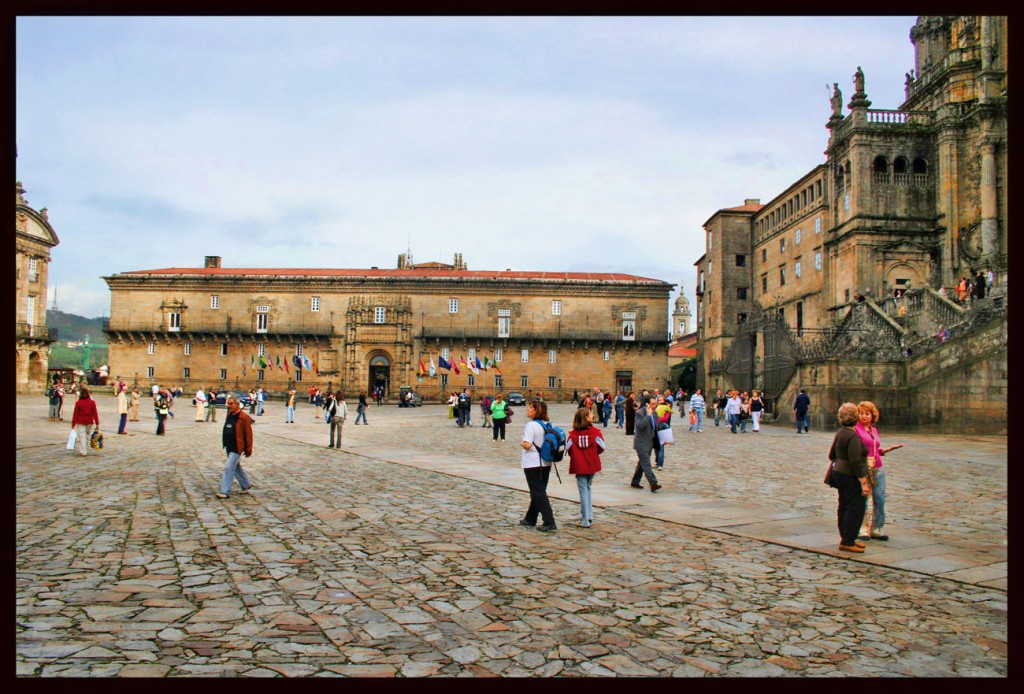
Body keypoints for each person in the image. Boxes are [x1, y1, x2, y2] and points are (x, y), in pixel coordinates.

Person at [854, 401, 904, 542]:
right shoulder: (856, 430)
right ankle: (862, 528)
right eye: (861, 413)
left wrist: (884, 450)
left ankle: (877, 528)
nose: (864, 416)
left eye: (867, 413)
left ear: (872, 415)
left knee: (880, 498)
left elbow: (874, 448)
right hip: (865, 467)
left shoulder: (873, 430)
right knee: (863, 498)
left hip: (878, 467)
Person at [826, 403, 870, 553]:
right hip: (849, 474)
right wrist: (863, 481)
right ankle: (848, 540)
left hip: (838, 472)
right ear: (856, 417)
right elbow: (856, 461)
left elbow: (831, 455)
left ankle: (847, 537)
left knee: (844, 505)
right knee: (856, 507)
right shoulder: (853, 436)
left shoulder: (841, 432)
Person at [519, 400, 557, 532]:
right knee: (539, 491)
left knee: (538, 492)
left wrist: (522, 443)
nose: (528, 410)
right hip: (546, 462)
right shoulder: (547, 424)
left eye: (530, 408)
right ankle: (530, 518)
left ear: (536, 410)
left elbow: (528, 444)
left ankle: (549, 521)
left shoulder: (531, 425)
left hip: (533, 462)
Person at [567, 407, 605, 528]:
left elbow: (568, 449)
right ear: (586, 418)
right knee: (588, 487)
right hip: (592, 463)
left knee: (583, 489)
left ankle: (585, 518)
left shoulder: (572, 434)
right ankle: (589, 515)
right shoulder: (596, 432)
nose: (592, 416)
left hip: (579, 464)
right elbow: (602, 446)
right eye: (590, 414)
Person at [216, 396, 254, 499]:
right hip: (229, 445)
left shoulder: (244, 417)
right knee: (236, 466)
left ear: (237, 404)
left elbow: (248, 434)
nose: (229, 406)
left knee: (228, 467)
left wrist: (248, 448)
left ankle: (224, 491)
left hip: (237, 446)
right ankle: (246, 484)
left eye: (231, 404)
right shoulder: (229, 414)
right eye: (228, 404)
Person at [630, 398, 662, 492]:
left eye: (655, 404)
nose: (654, 406)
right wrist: (648, 415)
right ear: (647, 404)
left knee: (642, 463)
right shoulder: (640, 413)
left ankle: (635, 482)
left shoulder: (655, 413)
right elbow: (640, 426)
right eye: (652, 404)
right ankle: (653, 483)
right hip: (641, 443)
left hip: (649, 442)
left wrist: (664, 438)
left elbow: (656, 427)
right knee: (646, 463)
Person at [70, 387, 100, 457]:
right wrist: (97, 422)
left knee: (82, 436)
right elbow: (95, 413)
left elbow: (75, 414)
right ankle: (84, 449)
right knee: (86, 435)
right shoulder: (92, 402)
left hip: (81, 421)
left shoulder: (78, 403)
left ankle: (84, 451)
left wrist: (73, 423)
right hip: (89, 421)